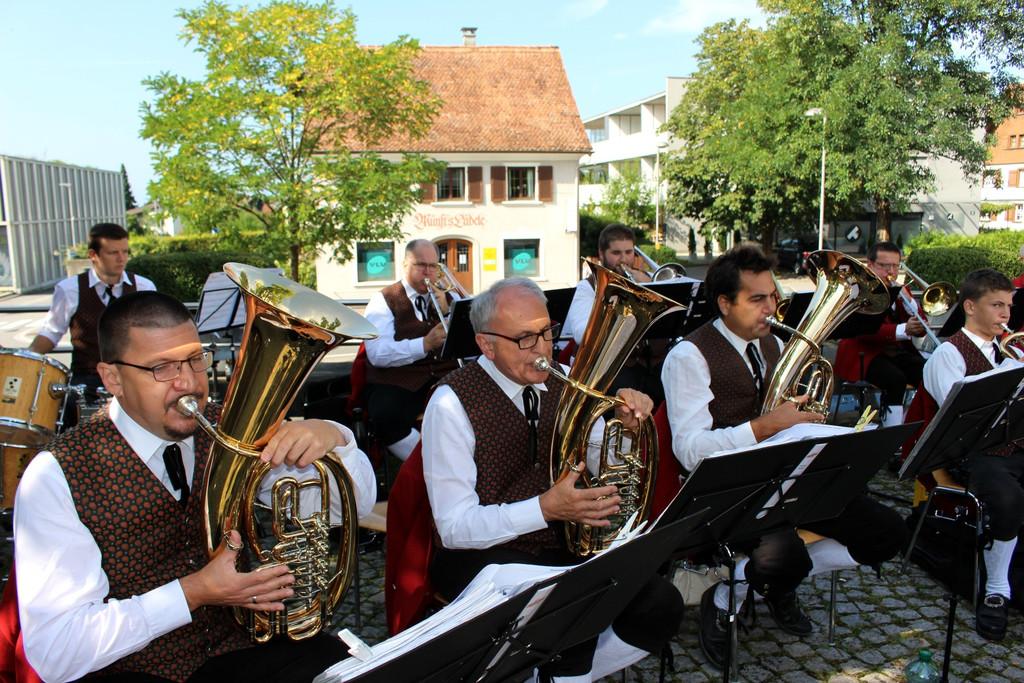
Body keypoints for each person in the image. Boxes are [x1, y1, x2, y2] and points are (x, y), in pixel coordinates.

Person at [13, 291, 376, 682]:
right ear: (112, 378)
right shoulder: (57, 474)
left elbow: (352, 507)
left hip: (237, 647)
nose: (188, 383)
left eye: (194, 359)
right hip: (132, 669)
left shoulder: (231, 429)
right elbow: (56, 651)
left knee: (347, 667)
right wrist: (193, 592)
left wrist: (333, 436)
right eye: (162, 368)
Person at [422, 277, 683, 682]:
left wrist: (626, 429)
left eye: (546, 332)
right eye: (525, 338)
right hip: (481, 557)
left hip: (558, 545)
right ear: (486, 345)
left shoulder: (562, 378)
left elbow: (597, 456)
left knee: (660, 602)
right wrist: (544, 509)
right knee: (573, 606)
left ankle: (564, 675)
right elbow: (455, 528)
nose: (544, 349)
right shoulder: (451, 403)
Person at [661, 244, 909, 669]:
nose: (771, 308)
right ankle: (725, 596)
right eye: (757, 299)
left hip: (788, 477)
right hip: (729, 491)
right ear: (725, 303)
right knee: (783, 558)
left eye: (773, 296)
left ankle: (767, 586)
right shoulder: (689, 355)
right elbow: (689, 450)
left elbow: (784, 414)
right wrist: (766, 426)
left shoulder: (773, 343)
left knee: (888, 531)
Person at [910, 268, 1023, 641]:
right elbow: (959, 411)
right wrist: (1008, 373)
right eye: (996, 305)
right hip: (974, 453)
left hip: (1014, 442)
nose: (1006, 314)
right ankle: (997, 590)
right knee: (1006, 498)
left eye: (1008, 305)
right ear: (970, 306)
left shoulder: (1011, 349)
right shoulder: (948, 353)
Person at [29, 222, 156, 400]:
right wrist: (25, 357)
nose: (121, 258)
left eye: (125, 251)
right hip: (87, 379)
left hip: (134, 376)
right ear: (93, 254)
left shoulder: (144, 287)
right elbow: (51, 332)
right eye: (113, 252)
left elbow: (155, 334)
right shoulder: (69, 289)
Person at [363, 239, 459, 462]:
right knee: (386, 416)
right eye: (421, 265)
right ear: (405, 265)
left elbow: (468, 343)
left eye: (433, 266)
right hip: (398, 380)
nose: (428, 272)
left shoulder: (449, 297)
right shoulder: (384, 300)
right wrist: (424, 344)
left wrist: (448, 312)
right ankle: (430, 466)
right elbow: (377, 354)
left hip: (443, 376)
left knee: (481, 400)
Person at [564, 224, 664, 404]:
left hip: (654, 364)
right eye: (616, 253)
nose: (624, 259)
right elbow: (581, 333)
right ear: (601, 254)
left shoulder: (650, 279)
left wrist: (650, 288)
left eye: (628, 252)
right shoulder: (587, 287)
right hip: (613, 369)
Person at [834, 242, 927, 428]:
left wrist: (911, 304)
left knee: (928, 371)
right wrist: (903, 330)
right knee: (895, 379)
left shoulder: (901, 291)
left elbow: (922, 327)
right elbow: (865, 330)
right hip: (862, 355)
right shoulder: (858, 291)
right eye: (885, 265)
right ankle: (893, 434)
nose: (891, 271)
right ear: (870, 264)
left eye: (895, 266)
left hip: (892, 353)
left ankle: (916, 424)